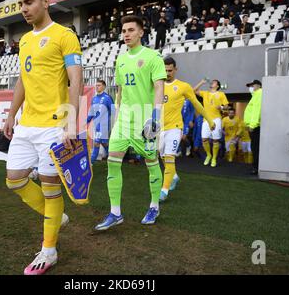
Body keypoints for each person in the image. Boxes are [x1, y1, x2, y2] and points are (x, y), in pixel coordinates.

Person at [2, 0, 83, 275]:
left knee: (50, 188)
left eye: (28, 2)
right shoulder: (23, 40)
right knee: (14, 179)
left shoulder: (64, 35)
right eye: (20, 4)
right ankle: (56, 216)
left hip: (53, 125)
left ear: (46, 2)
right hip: (26, 123)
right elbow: (23, 79)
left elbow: (76, 79)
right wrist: (11, 114)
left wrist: (71, 121)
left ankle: (49, 250)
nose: (23, 9)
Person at [94, 15, 166, 230]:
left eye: (131, 30)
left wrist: (155, 117)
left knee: (151, 162)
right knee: (112, 162)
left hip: (145, 119)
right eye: (123, 30)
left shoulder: (153, 56)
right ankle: (115, 212)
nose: (126, 34)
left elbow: (159, 87)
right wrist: (117, 115)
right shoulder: (121, 59)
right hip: (124, 120)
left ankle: (154, 205)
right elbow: (120, 90)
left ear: (141, 32)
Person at [158, 57, 214, 202]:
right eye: (164, 70)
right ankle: (174, 177)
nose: (167, 73)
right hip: (160, 128)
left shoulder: (183, 86)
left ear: (175, 69)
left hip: (175, 128)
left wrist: (209, 119)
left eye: (170, 70)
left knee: (170, 156)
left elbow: (197, 104)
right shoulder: (157, 85)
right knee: (163, 156)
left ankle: (164, 191)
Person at [193, 79, 229, 167]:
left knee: (215, 140)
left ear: (217, 85)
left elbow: (227, 106)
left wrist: (221, 107)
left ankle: (214, 158)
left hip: (216, 119)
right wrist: (201, 82)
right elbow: (193, 91)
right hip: (206, 119)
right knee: (204, 139)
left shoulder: (221, 94)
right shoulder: (205, 93)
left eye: (214, 82)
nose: (212, 82)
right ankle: (209, 155)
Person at [87, 80, 114, 164]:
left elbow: (113, 110)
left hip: (104, 125)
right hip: (97, 125)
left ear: (104, 86)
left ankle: (91, 162)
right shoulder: (94, 99)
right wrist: (86, 121)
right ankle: (112, 157)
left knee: (96, 143)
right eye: (96, 85)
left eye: (99, 85)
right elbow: (91, 112)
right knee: (104, 143)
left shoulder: (107, 98)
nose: (97, 87)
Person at [244, 79, 262, 175]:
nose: (251, 88)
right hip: (253, 126)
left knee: (255, 147)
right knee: (254, 147)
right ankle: (255, 166)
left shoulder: (259, 94)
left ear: (258, 85)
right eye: (249, 86)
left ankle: (256, 167)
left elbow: (257, 111)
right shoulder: (255, 95)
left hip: (255, 127)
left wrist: (252, 125)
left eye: (252, 85)